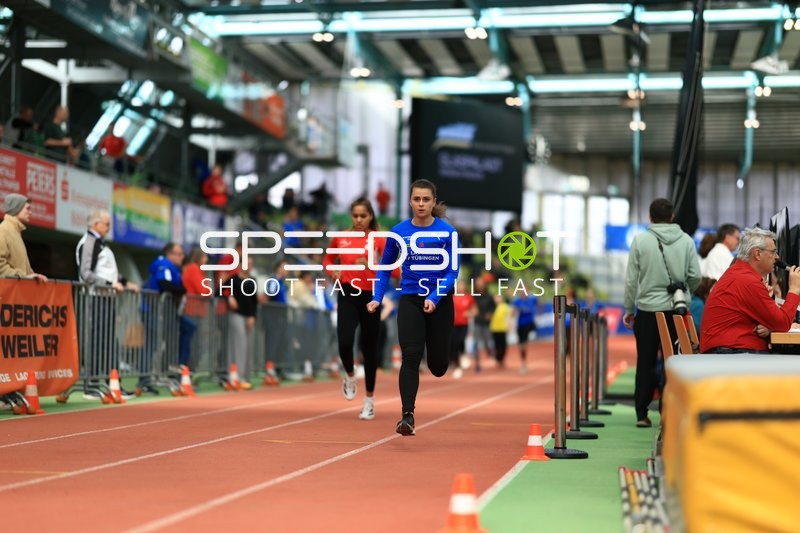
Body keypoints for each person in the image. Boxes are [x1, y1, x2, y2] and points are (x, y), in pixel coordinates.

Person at [367, 179, 460, 436]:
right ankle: (407, 416)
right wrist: (377, 297)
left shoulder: (447, 232)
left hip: (440, 301)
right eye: (416, 199)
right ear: (410, 201)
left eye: (426, 199)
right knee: (410, 355)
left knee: (438, 367)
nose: (421, 204)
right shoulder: (398, 232)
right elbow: (384, 268)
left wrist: (435, 297)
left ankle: (438, 359)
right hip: (410, 299)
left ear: (433, 202)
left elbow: (452, 272)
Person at [623, 198, 700, 428]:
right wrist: (684, 292)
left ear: (650, 217)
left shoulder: (640, 240)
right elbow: (695, 276)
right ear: (672, 216)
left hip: (647, 310)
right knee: (674, 361)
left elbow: (631, 280)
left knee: (645, 362)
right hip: (676, 310)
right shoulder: (686, 241)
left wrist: (629, 309)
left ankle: (642, 414)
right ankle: (670, 413)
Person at [322, 198, 385, 420]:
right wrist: (333, 271)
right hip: (348, 293)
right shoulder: (341, 237)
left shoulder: (379, 239)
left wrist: (372, 265)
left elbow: (393, 269)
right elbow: (327, 260)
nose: (359, 220)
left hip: (371, 296)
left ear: (370, 217)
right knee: (345, 342)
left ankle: (369, 401)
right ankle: (350, 375)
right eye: (355, 216)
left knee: (370, 349)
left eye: (363, 216)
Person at [701, 227, 800, 354]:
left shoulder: (739, 273)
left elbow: (773, 319)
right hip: (731, 354)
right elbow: (783, 323)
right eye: (773, 252)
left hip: (727, 350)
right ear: (757, 254)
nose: (777, 257)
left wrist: (770, 325)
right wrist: (794, 289)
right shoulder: (748, 281)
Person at [76, 208, 140, 400]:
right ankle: (93, 386)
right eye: (106, 224)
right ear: (95, 224)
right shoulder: (90, 242)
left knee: (108, 342)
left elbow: (107, 272)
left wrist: (125, 282)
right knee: (98, 341)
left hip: (104, 297)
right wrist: (109, 284)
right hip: (96, 297)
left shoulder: (99, 243)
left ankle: (111, 384)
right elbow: (86, 274)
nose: (109, 227)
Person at [140, 243, 189, 394]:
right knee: (151, 345)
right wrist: (181, 290)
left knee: (183, 331)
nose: (182, 257)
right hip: (153, 309)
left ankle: (167, 373)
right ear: (170, 254)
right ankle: (144, 381)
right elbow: (165, 284)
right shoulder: (164, 265)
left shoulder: (173, 268)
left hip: (163, 311)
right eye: (179, 254)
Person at [0, 194, 48, 281]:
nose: (30, 212)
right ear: (16, 208)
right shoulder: (3, 230)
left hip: (17, 288)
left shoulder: (15, 232)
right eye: (27, 208)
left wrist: (33, 276)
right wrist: (24, 277)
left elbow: (23, 271)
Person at [181, 248, 210, 370]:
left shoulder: (197, 270)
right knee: (194, 343)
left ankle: (189, 369)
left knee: (196, 343)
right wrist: (208, 291)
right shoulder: (193, 269)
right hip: (192, 311)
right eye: (205, 256)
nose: (207, 260)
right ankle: (188, 369)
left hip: (196, 311)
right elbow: (203, 290)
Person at [451, 279, 476, 379]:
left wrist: (469, 313)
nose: (461, 287)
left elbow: (475, 310)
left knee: (460, 340)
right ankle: (456, 362)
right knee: (453, 343)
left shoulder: (468, 297)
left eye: (462, 285)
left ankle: (463, 355)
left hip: (463, 324)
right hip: (452, 324)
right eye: (459, 285)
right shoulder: (452, 296)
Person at [512, 289, 538, 375]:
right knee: (521, 345)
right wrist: (512, 318)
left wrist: (538, 312)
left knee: (524, 343)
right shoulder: (517, 301)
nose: (523, 293)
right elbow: (513, 312)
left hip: (529, 324)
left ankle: (523, 363)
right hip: (520, 325)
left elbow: (539, 303)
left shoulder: (532, 299)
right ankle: (523, 360)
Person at [489, 293, 510, 368]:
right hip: (494, 328)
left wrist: (509, 325)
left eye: (498, 297)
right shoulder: (491, 307)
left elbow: (508, 317)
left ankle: (501, 358)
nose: (497, 299)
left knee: (503, 345)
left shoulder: (505, 307)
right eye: (496, 298)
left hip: (503, 328)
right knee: (496, 345)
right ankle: (498, 359)